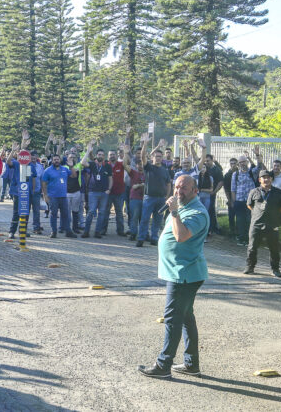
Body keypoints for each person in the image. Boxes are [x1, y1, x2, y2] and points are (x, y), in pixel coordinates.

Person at [138, 175, 209, 379]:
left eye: (184, 188)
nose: (178, 191)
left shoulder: (197, 212)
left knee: (172, 319)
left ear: (195, 191)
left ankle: (163, 365)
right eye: (177, 187)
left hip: (184, 274)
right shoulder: (182, 206)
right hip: (179, 272)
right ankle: (191, 364)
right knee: (186, 317)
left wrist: (175, 212)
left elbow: (181, 236)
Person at [245, 170, 281, 277]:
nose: (266, 179)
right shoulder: (254, 192)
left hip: (272, 224)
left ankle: (275, 269)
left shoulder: (279, 192)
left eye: (268, 177)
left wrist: (274, 216)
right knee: (252, 247)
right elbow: (249, 205)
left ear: (271, 179)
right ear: (260, 180)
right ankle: (250, 267)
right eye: (263, 177)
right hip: (256, 224)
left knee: (274, 248)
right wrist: (258, 213)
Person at [137, 137, 172, 247]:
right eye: (156, 156)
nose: (158, 158)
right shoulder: (149, 167)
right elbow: (142, 156)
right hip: (149, 198)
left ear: (162, 158)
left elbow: (168, 184)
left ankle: (154, 238)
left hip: (161, 199)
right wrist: (145, 144)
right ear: (152, 158)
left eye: (160, 157)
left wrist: (166, 197)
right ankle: (141, 238)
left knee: (157, 221)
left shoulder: (165, 170)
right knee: (145, 219)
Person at [80, 142, 113, 239]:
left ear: (104, 156)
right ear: (96, 155)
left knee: (102, 212)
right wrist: (88, 151)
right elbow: (82, 163)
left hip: (104, 193)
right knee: (91, 212)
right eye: (99, 154)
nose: (101, 156)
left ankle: (97, 232)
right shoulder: (92, 164)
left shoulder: (107, 166)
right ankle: (86, 231)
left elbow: (111, 178)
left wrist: (109, 189)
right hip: (93, 192)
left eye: (102, 155)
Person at [231, 148, 262, 245]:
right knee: (240, 221)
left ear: (247, 162)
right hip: (239, 201)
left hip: (251, 201)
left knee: (250, 220)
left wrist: (257, 155)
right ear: (238, 164)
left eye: (244, 161)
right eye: (240, 162)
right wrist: (234, 201)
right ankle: (241, 239)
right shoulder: (235, 174)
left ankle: (249, 239)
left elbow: (260, 166)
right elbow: (233, 189)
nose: (242, 164)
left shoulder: (252, 172)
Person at [41, 152, 77, 238]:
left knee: (65, 214)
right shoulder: (47, 171)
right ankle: (54, 231)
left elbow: (74, 175)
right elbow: (44, 183)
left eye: (57, 159)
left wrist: (71, 166)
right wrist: (45, 195)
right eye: (54, 160)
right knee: (53, 214)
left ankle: (68, 231)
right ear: (52, 161)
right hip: (53, 196)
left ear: (60, 160)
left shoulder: (64, 169)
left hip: (63, 196)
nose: (56, 161)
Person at [6, 143, 36, 239]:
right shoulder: (16, 163)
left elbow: (34, 178)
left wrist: (33, 190)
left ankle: (23, 230)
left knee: (26, 213)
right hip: (17, 193)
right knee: (16, 213)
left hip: (28, 194)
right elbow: (8, 161)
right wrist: (13, 151)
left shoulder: (31, 165)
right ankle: (12, 231)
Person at [100, 147, 127, 237]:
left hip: (119, 192)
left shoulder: (121, 164)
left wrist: (126, 151)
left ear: (116, 155)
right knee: (106, 212)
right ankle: (103, 230)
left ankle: (120, 231)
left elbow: (128, 162)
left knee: (119, 212)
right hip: (107, 193)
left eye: (113, 154)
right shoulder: (104, 164)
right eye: (110, 155)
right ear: (108, 156)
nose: (112, 156)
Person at [124, 146, 144, 240]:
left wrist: (140, 185)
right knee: (134, 217)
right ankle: (133, 234)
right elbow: (124, 165)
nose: (140, 166)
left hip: (145, 199)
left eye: (142, 164)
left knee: (143, 218)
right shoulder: (134, 173)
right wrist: (126, 153)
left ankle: (144, 234)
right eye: (139, 164)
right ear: (136, 165)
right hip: (135, 198)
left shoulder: (147, 173)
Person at [222, 157, 238, 237]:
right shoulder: (227, 175)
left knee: (240, 217)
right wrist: (230, 200)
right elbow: (226, 189)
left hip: (240, 198)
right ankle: (232, 231)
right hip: (231, 198)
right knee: (231, 216)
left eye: (234, 163)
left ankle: (239, 232)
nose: (233, 165)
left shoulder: (240, 173)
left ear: (237, 164)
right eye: (231, 163)